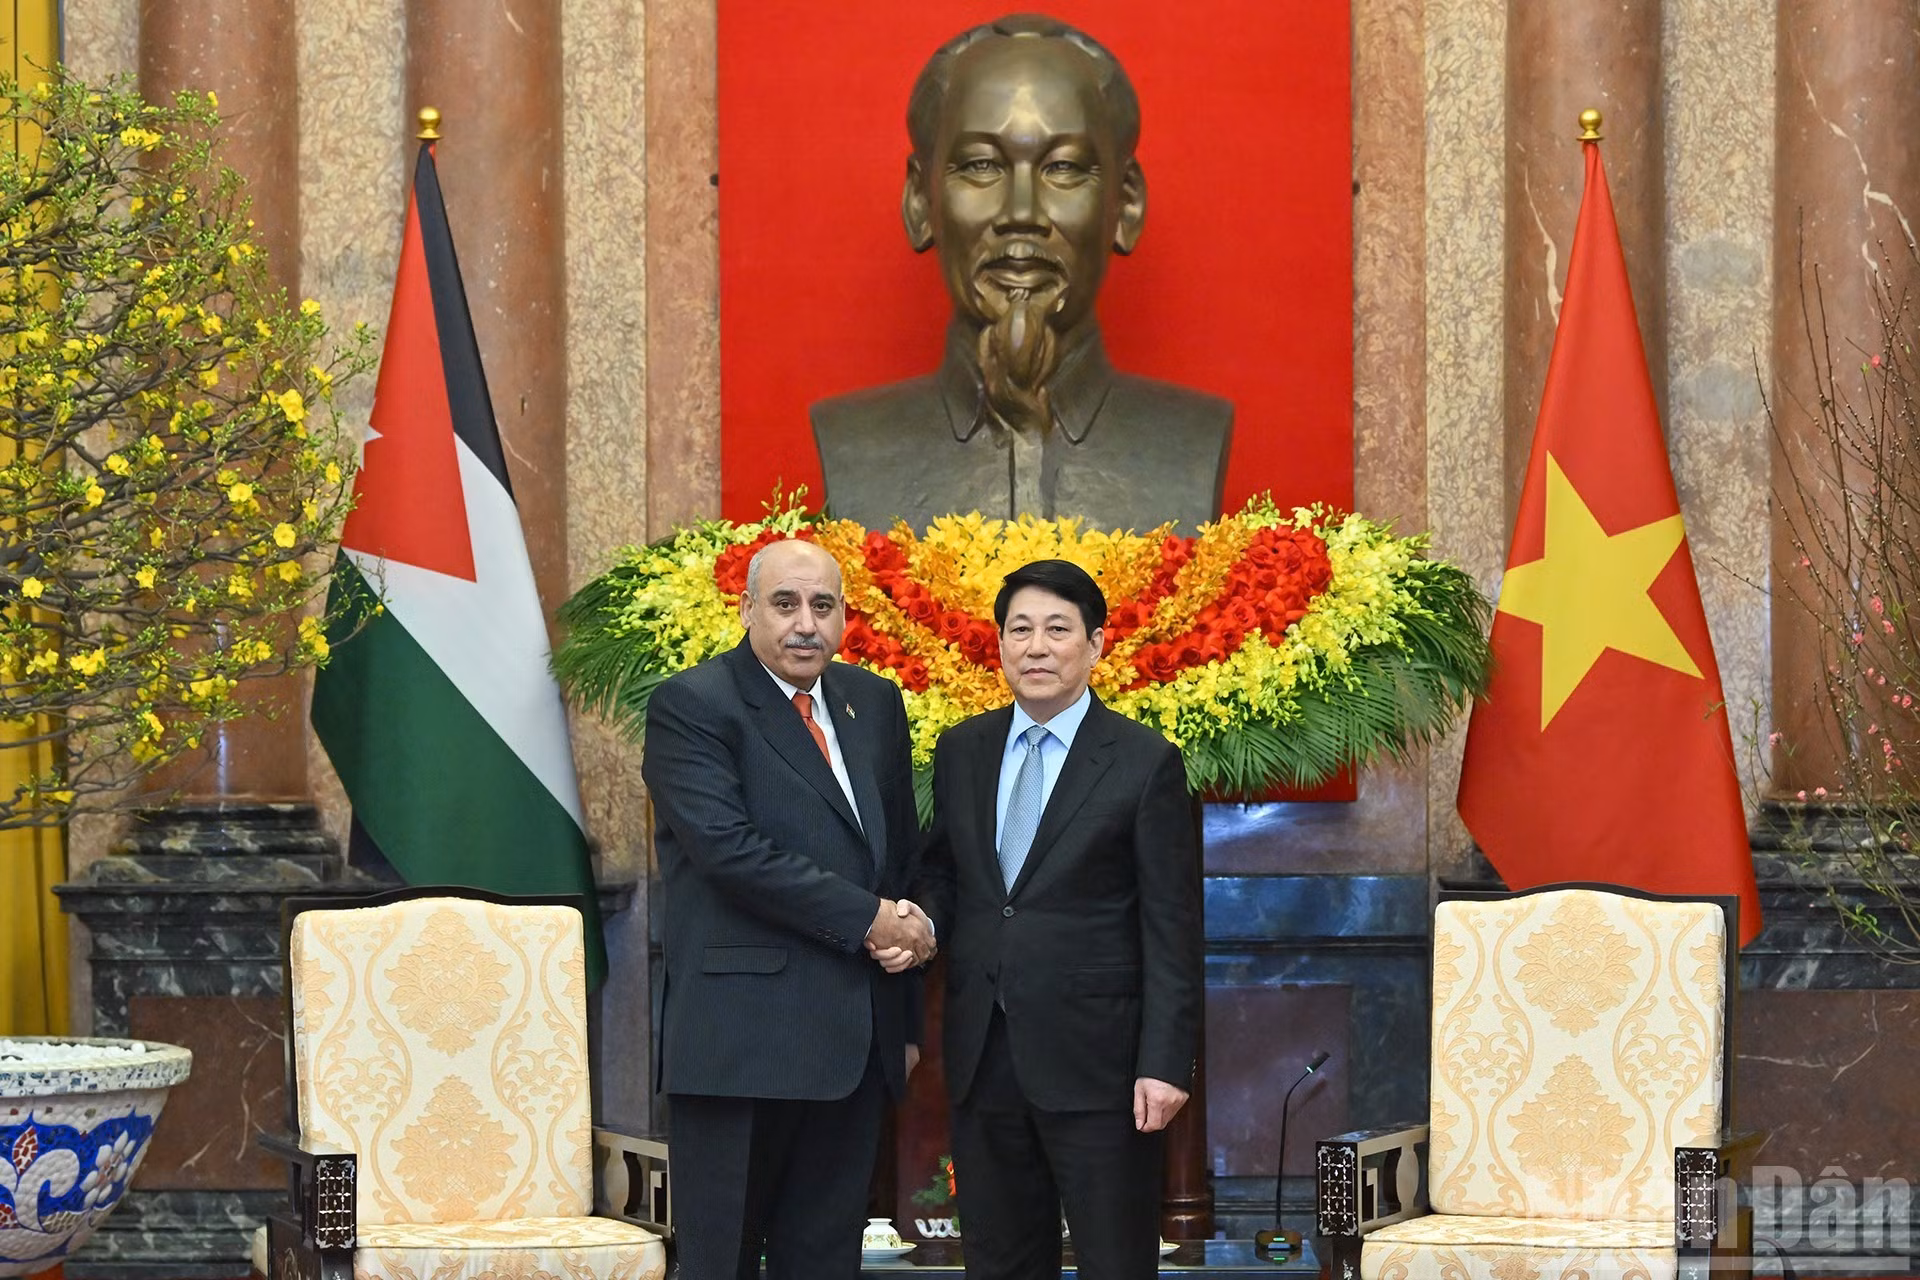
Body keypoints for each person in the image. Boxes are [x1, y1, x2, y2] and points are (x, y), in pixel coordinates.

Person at [811, 14, 1232, 536]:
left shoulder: (1192, 439)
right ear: (921, 201)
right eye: (981, 165)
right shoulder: (853, 442)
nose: (1022, 212)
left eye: (1064, 168)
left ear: (1125, 205)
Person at [642, 537, 935, 1280]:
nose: (805, 623)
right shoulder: (694, 704)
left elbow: (900, 854)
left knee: (825, 1264)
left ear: (844, 619)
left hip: (854, 1048)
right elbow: (729, 852)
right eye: (785, 603)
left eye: (823, 606)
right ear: (747, 611)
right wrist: (874, 920)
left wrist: (908, 973)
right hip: (740, 1046)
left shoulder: (872, 702)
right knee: (722, 1265)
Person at [908, 558, 1204, 1280]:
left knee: (1114, 1260)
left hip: (1100, 1062)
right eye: (1020, 630)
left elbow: (1174, 926)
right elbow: (948, 873)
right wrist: (914, 922)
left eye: (1057, 630)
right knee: (999, 1260)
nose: (1037, 647)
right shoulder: (963, 750)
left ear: (1096, 646)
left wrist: (1164, 1064)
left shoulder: (1143, 762)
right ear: (1001, 645)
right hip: (984, 1052)